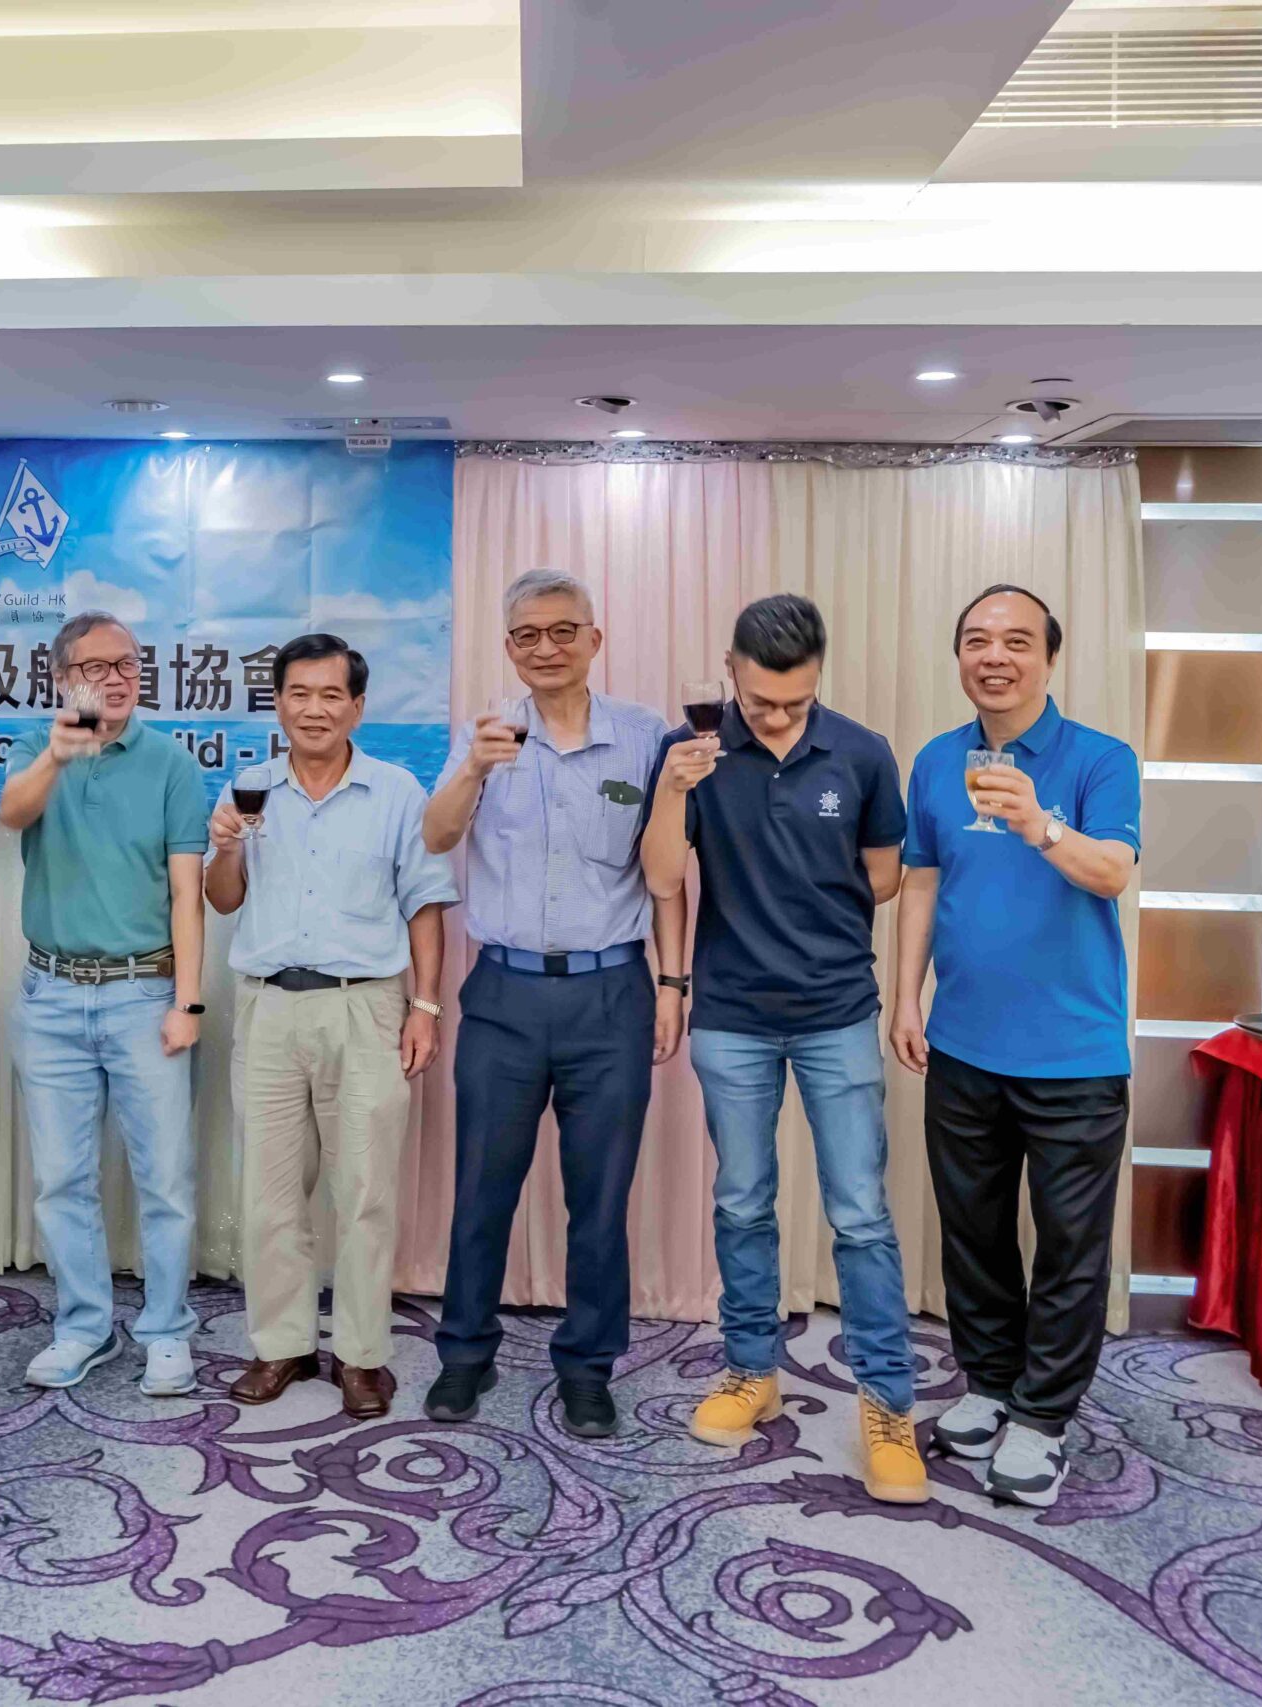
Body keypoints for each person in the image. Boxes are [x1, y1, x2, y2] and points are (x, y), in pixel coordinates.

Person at [640, 593, 926, 1503]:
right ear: (730, 671)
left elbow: (884, 878)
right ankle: (750, 1369)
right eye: (760, 701)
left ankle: (888, 1404)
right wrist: (674, 789)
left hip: (836, 1009)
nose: (774, 717)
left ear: (818, 679)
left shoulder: (863, 752)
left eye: (794, 702)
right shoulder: (689, 750)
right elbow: (660, 877)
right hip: (731, 1014)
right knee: (742, 1201)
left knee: (861, 1212)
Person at [419, 567, 689, 1437]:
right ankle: (465, 1352)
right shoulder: (488, 734)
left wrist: (673, 984)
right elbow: (436, 834)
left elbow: (666, 876)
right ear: (509, 648)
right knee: (482, 1187)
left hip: (611, 995)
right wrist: (473, 767)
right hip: (503, 994)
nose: (547, 647)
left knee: (600, 1196)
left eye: (563, 630)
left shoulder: (645, 737)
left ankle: (588, 1366)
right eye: (528, 635)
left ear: (594, 639)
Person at [892, 584, 1138, 1509]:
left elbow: (1112, 871)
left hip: (1074, 1055)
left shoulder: (1101, 759)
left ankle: (1042, 1417)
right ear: (960, 655)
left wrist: (1040, 823)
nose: (994, 655)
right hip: (963, 1043)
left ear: (1049, 656)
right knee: (974, 1232)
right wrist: (905, 994)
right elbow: (921, 879)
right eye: (976, 640)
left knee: (1070, 1246)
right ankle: (990, 1382)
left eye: (1016, 641)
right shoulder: (936, 759)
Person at [207, 633, 455, 1420]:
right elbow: (223, 898)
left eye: (330, 695)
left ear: (357, 706)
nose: (313, 709)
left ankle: (361, 1354)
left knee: (366, 1190)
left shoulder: (397, 792)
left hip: (366, 1005)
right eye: (298, 693)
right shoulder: (250, 787)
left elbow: (425, 903)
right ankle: (281, 1343)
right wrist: (224, 850)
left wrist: (425, 1007)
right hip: (270, 1006)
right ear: (278, 702)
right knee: (269, 1192)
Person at [0, 611, 208, 1397]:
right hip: (50, 995)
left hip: (144, 993)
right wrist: (58, 753)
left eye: (127, 664)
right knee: (62, 1178)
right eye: (95, 667)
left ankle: (167, 1329)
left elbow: (187, 894)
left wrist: (189, 1001)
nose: (115, 678)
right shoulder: (36, 746)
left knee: (165, 1180)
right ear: (62, 679)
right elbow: (12, 813)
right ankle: (83, 1326)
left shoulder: (171, 762)